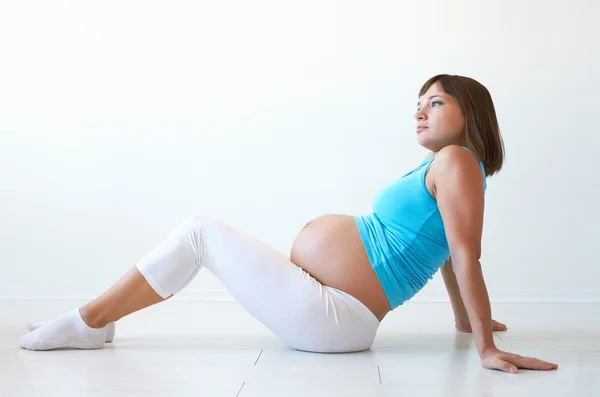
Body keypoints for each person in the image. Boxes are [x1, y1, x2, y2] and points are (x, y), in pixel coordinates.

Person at [20, 74, 558, 374]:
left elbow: (465, 253)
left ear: (473, 114)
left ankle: (88, 321)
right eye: (417, 104)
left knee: (199, 231)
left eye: (435, 102)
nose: (419, 112)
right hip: (328, 307)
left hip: (334, 317)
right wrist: (467, 325)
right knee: (201, 233)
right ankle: (103, 319)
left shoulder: (457, 161)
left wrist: (485, 346)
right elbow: (445, 249)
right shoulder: (445, 165)